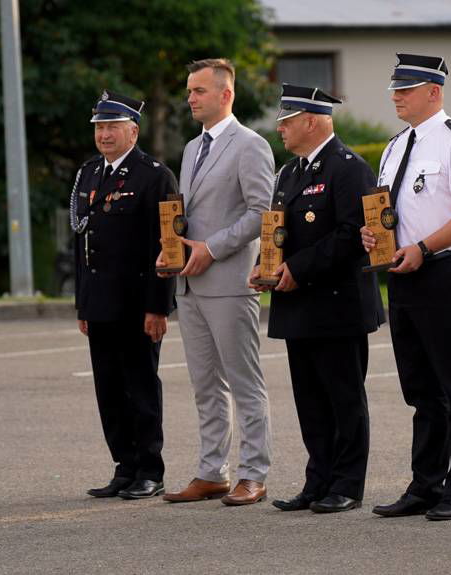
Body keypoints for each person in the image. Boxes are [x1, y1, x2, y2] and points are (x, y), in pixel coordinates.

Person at [361, 54, 451, 521]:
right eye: (395, 89)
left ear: (434, 92)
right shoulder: (396, 145)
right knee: (420, 389)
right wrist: (376, 236)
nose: (397, 96)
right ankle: (426, 483)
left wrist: (423, 246)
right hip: (403, 273)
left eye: (407, 89)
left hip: (441, 270)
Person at [248, 84, 384, 514]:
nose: (280, 129)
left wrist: (298, 269)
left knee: (344, 397)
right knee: (309, 399)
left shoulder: (348, 168)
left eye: (286, 120)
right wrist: (264, 264)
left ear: (311, 121)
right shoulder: (289, 173)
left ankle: (346, 484)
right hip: (298, 305)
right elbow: (277, 232)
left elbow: (351, 235)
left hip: (336, 304)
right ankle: (318, 480)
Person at [158, 58, 274, 506]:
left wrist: (212, 247)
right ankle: (211, 472)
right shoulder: (191, 148)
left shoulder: (251, 145)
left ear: (225, 95)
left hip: (228, 280)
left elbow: (261, 213)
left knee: (244, 383)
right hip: (189, 284)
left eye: (198, 91)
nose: (190, 98)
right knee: (205, 385)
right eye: (189, 90)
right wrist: (172, 247)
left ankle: (254, 474)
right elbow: (187, 215)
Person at [73, 91, 176, 499]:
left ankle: (150, 470)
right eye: (100, 127)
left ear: (134, 130)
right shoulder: (89, 173)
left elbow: (167, 243)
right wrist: (83, 303)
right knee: (109, 391)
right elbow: (82, 244)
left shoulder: (154, 175)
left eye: (113, 126)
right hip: (99, 304)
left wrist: (158, 305)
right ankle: (124, 466)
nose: (105, 134)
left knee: (141, 389)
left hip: (137, 305)